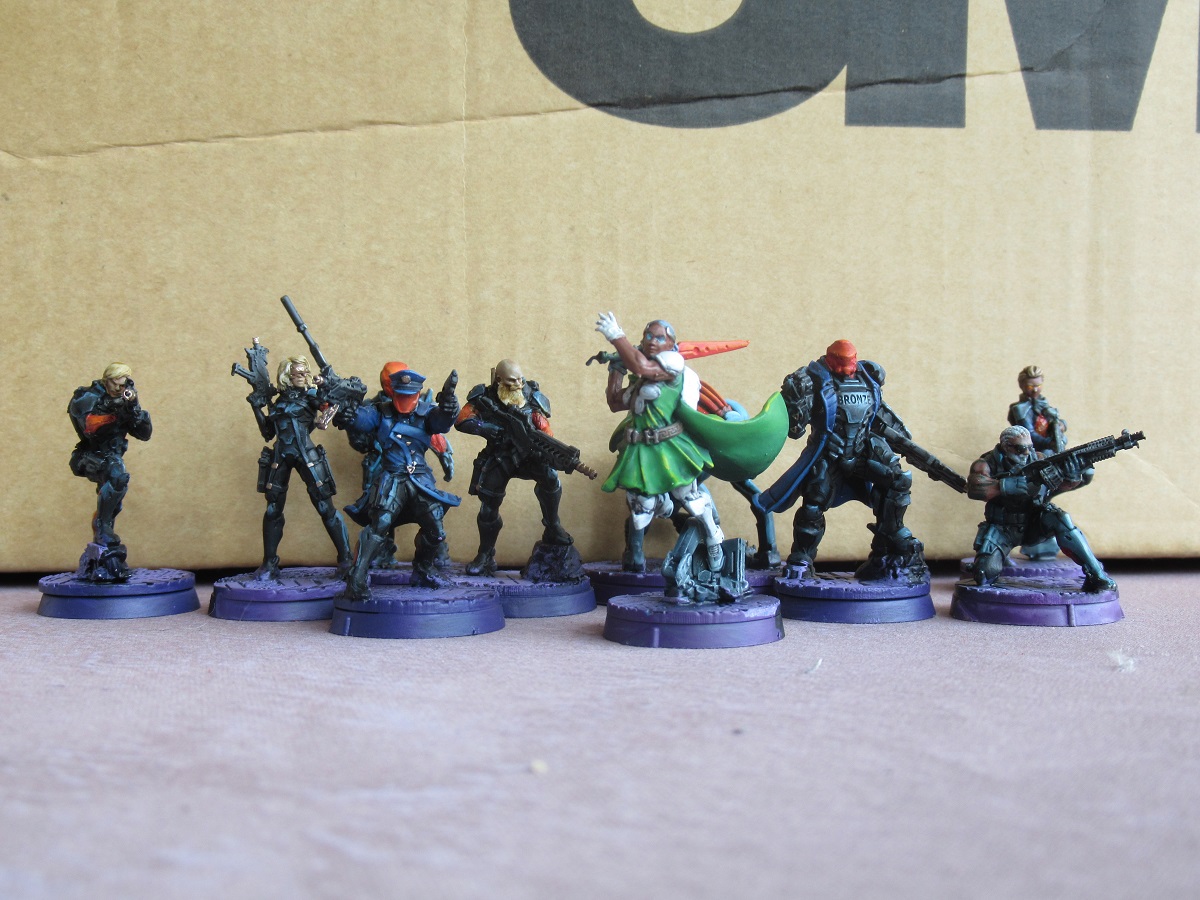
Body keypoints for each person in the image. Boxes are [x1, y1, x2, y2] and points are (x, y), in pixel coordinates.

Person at [754, 340, 925, 580]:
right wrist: (795, 397)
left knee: (898, 480)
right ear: (830, 359)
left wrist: (902, 442)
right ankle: (802, 558)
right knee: (814, 502)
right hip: (829, 452)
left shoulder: (868, 378)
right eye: (841, 362)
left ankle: (890, 536)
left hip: (863, 449)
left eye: (851, 361)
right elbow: (795, 429)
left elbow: (878, 414)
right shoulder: (812, 380)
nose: (847, 368)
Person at [595, 313, 724, 573]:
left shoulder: (671, 366)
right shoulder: (641, 378)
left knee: (691, 498)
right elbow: (615, 402)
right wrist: (616, 369)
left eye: (660, 338)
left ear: (671, 344)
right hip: (641, 450)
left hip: (670, 446)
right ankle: (658, 512)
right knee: (640, 508)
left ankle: (713, 537)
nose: (653, 341)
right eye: (648, 336)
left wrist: (616, 336)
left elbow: (642, 367)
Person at [338, 362, 460, 600]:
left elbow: (442, 423)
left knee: (436, 529)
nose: (405, 401)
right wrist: (348, 411)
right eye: (401, 396)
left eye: (410, 396)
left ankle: (424, 569)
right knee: (379, 524)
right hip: (392, 477)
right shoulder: (380, 412)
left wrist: (449, 406)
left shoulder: (427, 413)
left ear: (417, 394)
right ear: (393, 392)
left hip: (420, 479)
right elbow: (361, 420)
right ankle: (357, 576)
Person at [455, 359, 574, 576]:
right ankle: (485, 554)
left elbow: (544, 429)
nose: (518, 384)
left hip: (530, 455)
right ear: (499, 379)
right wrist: (483, 427)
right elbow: (462, 420)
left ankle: (553, 526)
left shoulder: (531, 396)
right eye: (512, 381)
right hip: (499, 455)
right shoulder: (484, 397)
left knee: (550, 478)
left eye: (520, 379)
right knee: (488, 505)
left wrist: (546, 448)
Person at [968, 425, 1115, 592]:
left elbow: (1062, 485)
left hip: (1033, 523)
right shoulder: (986, 463)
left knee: (1061, 518)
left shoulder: (1038, 459)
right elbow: (974, 488)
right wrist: (1007, 485)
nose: (1026, 453)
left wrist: (1072, 474)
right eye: (1021, 448)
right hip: (1001, 528)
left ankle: (1097, 574)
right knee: (983, 575)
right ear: (1006, 446)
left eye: (1030, 447)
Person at [250, 355, 351, 580]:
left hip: (307, 455)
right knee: (273, 510)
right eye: (299, 373)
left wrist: (326, 400)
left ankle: (345, 559)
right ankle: (269, 563)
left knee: (325, 507)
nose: (304, 376)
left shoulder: (311, 395)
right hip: (280, 455)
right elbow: (268, 433)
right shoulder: (277, 402)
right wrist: (256, 407)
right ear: (287, 375)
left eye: (305, 372)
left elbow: (332, 404)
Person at [68, 362, 153, 555]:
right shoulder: (87, 397)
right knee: (117, 476)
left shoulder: (125, 399)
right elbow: (90, 428)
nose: (119, 389)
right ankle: (102, 526)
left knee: (115, 496)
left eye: (123, 385)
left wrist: (133, 411)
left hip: (112, 455)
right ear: (107, 380)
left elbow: (145, 434)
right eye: (116, 384)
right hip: (90, 454)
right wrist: (114, 409)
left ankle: (104, 527)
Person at [1008, 365, 1067, 453]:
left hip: (1053, 446)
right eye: (1030, 386)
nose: (1035, 390)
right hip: (1032, 450)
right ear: (1022, 385)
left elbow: (1054, 419)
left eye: (1038, 386)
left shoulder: (1043, 403)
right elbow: (1029, 434)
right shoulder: (1020, 409)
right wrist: (1049, 443)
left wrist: (1062, 425)